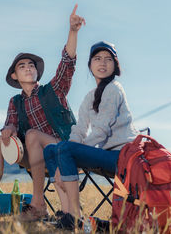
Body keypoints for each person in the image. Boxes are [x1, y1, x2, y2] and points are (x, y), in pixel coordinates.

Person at [0, 5, 85, 221]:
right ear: (15, 75)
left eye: (32, 65)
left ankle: (38, 204)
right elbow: (9, 125)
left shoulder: (53, 90)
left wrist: (73, 31)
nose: (29, 68)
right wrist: (9, 129)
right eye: (22, 66)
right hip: (34, 155)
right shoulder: (15, 101)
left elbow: (67, 63)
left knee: (31, 134)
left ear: (37, 71)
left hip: (63, 150)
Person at [43, 41, 139, 230]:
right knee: (51, 150)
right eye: (97, 59)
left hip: (123, 157)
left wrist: (68, 154)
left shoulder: (114, 89)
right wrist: (63, 157)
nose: (102, 63)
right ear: (90, 65)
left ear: (115, 65)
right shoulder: (89, 97)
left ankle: (75, 217)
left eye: (108, 59)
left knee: (63, 148)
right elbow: (79, 130)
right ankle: (67, 210)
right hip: (105, 155)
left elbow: (101, 130)